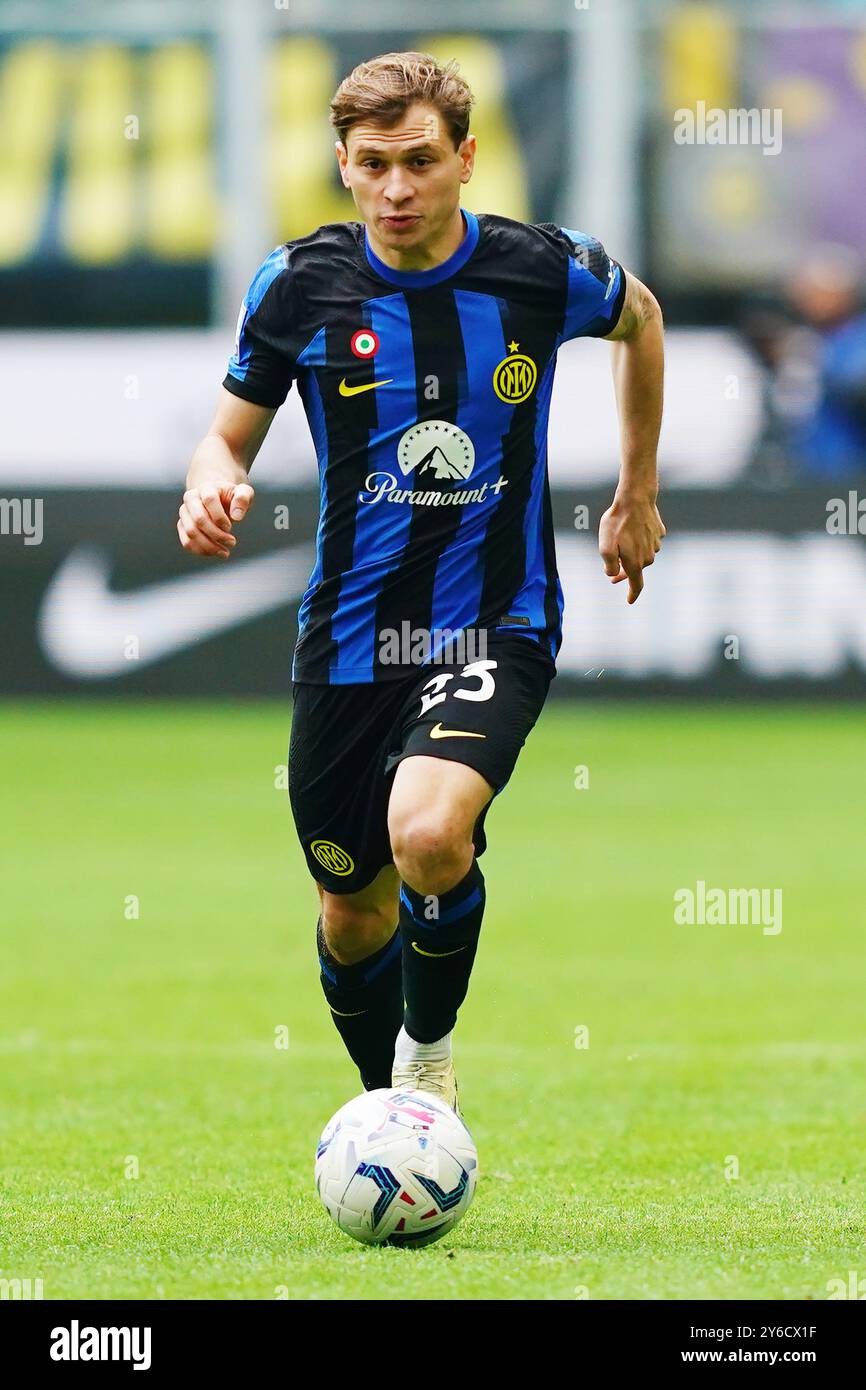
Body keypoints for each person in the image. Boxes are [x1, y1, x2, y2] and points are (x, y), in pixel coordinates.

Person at [178, 52, 665, 1111]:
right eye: (372, 165)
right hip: (349, 640)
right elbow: (224, 440)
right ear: (342, 167)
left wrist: (635, 489)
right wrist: (209, 486)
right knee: (352, 908)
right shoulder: (298, 285)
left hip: (496, 621)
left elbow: (642, 320)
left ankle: (426, 1060)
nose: (396, 190)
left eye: (419, 162)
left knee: (430, 833)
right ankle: (390, 1115)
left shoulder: (539, 270)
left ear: (465, 159)